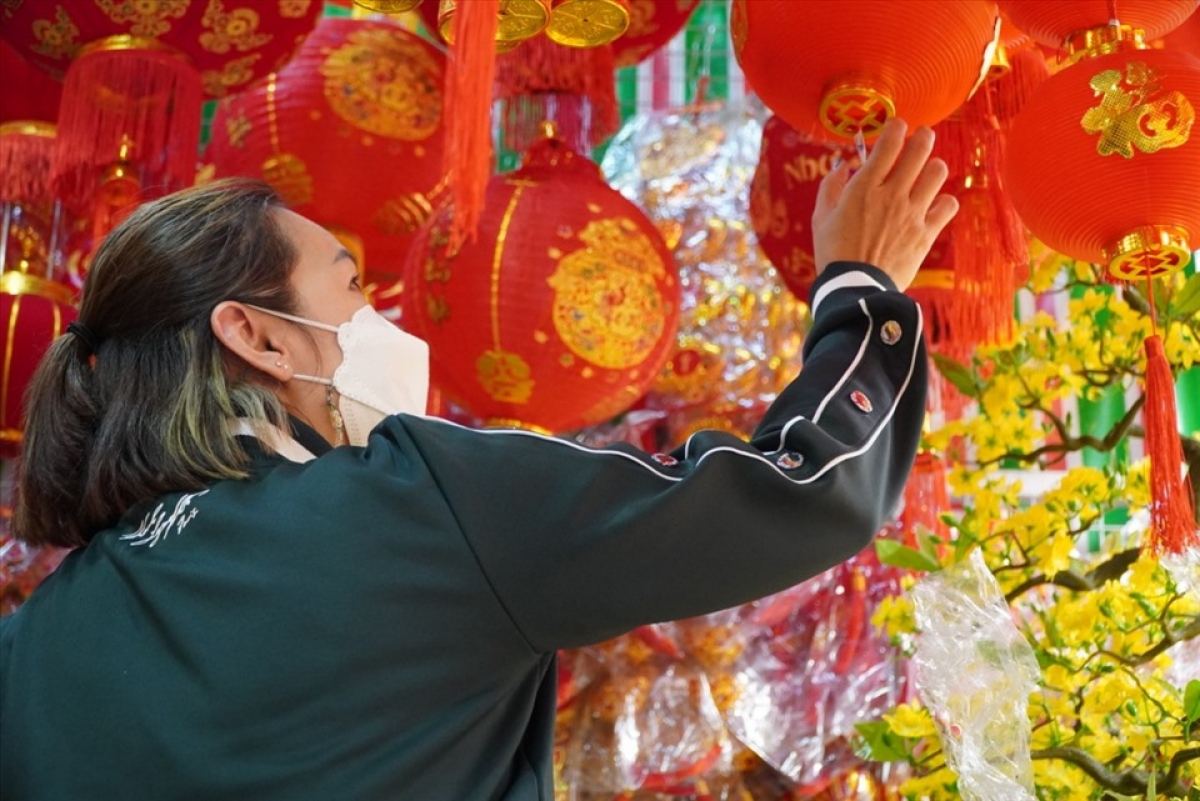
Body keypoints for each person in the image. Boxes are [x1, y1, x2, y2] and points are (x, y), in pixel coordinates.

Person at [0, 117, 956, 800]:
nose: (381, 322)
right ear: (258, 337)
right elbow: (804, 490)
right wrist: (860, 287)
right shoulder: (414, 503)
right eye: (352, 287)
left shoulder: (33, 642)